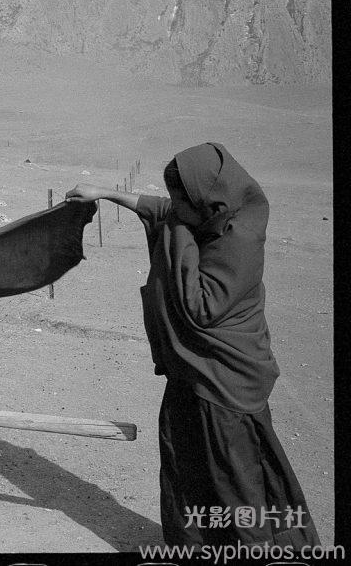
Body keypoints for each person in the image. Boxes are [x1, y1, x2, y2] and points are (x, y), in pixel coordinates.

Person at [66, 142, 319, 547]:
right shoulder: (210, 215)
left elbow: (201, 307)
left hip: (226, 384)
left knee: (237, 485)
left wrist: (177, 229)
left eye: (182, 200)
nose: (173, 206)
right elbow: (161, 209)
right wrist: (106, 192)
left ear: (208, 202)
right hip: (193, 374)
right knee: (186, 468)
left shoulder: (241, 241)